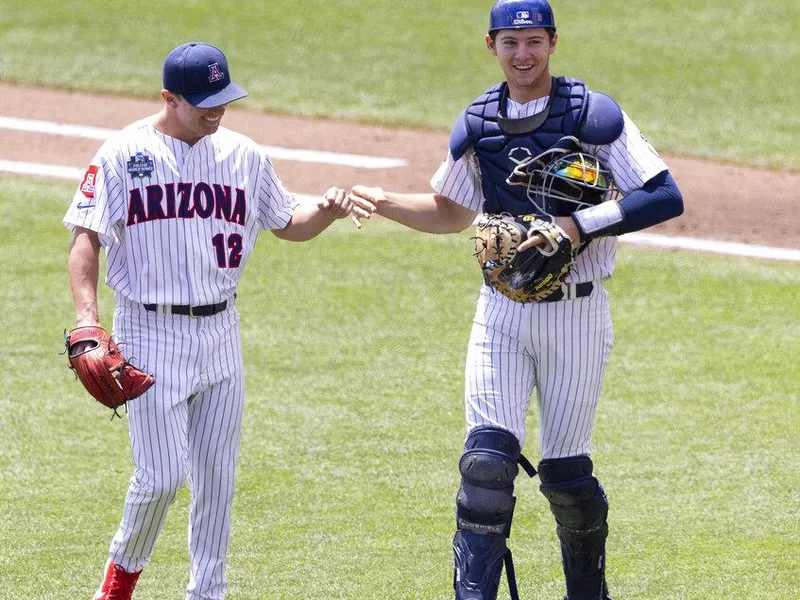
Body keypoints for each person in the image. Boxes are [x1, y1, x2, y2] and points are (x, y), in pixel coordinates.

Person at [347, 1, 684, 599]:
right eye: (510, 43)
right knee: (486, 464)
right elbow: (452, 210)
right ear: (491, 45)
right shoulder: (478, 122)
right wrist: (387, 201)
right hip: (500, 313)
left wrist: (577, 227)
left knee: (564, 474)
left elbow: (662, 196)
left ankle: (587, 592)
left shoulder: (592, 114)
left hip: (576, 314)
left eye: (533, 42)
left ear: (553, 42)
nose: (523, 55)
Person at [64, 41, 361, 600]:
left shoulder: (244, 154)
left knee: (217, 482)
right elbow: (86, 237)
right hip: (149, 333)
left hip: (222, 334)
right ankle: (117, 585)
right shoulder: (123, 153)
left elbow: (285, 221)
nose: (217, 111)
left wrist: (324, 208)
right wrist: (87, 321)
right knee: (159, 480)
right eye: (204, 102)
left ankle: (208, 593)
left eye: (223, 99)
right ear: (169, 99)